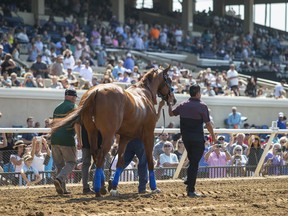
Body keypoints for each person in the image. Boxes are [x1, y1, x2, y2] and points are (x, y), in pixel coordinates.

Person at [168, 84, 216, 198]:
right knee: (194, 163)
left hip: (186, 139)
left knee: (192, 161)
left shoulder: (183, 105)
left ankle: (188, 180)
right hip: (198, 139)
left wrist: (169, 103)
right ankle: (191, 189)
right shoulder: (202, 106)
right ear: (198, 93)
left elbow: (171, 113)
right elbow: (208, 124)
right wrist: (213, 136)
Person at [51, 89, 78, 195]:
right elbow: (77, 124)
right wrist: (79, 139)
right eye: (75, 98)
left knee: (59, 165)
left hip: (54, 139)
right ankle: (59, 178)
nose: (75, 100)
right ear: (72, 97)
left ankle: (62, 189)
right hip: (67, 139)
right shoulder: (74, 108)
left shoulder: (57, 108)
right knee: (71, 162)